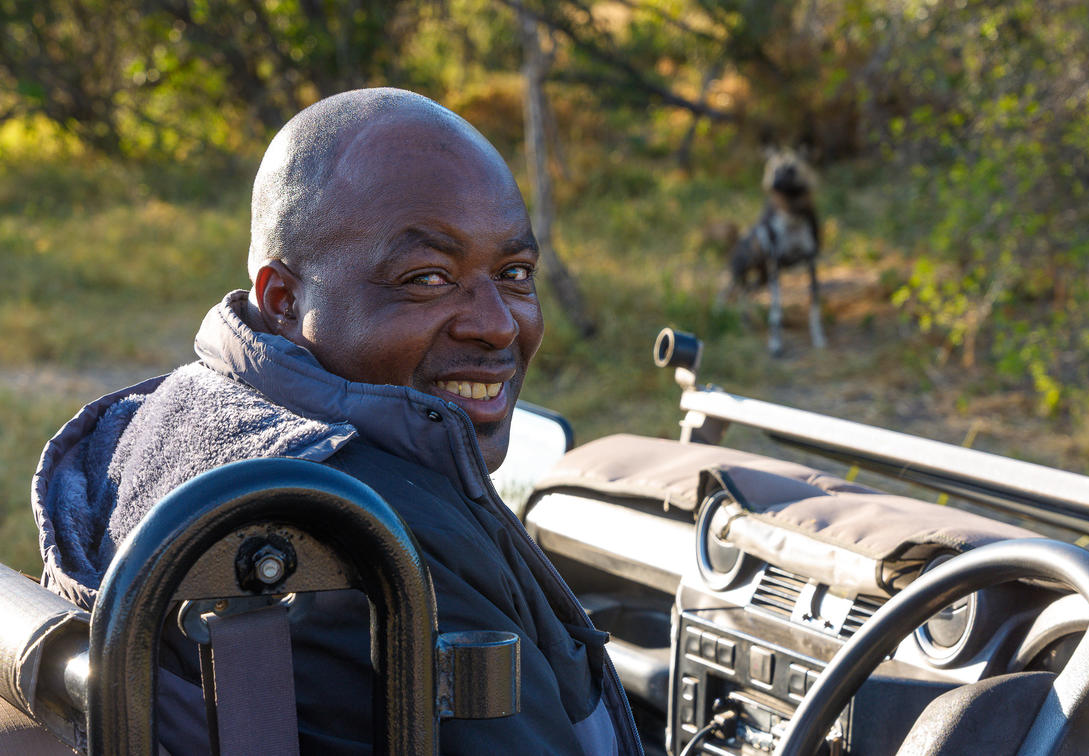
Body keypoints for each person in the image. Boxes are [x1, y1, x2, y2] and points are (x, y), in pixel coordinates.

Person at [32, 88, 643, 754]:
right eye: (428, 278)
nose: (498, 324)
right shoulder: (378, 531)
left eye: (515, 272)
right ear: (283, 299)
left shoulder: (150, 421)